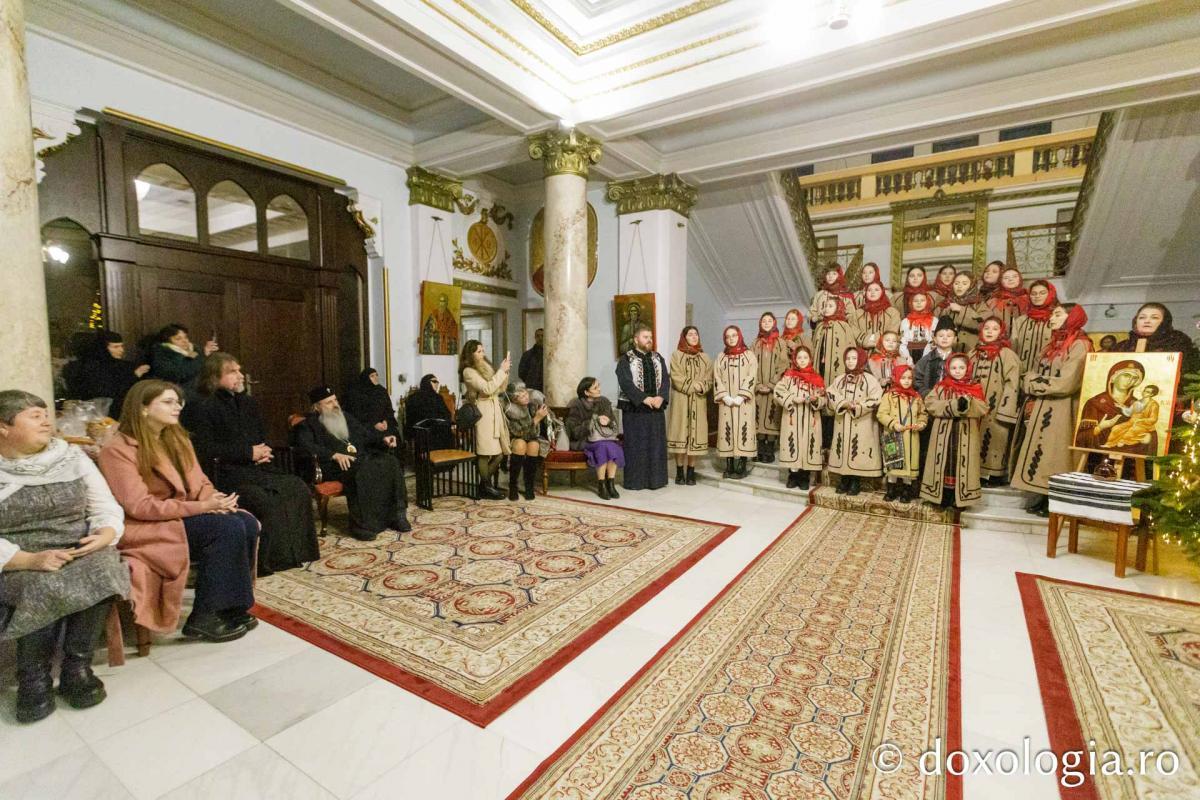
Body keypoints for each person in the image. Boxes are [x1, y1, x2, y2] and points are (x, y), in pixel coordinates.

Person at [0, 390, 130, 724]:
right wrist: (27, 560)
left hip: (78, 547)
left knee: (104, 569)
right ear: (3, 427)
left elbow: (104, 505)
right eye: (35, 416)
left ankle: (77, 668)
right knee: (40, 585)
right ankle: (34, 679)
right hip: (17, 557)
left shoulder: (71, 457)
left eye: (46, 414)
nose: (47, 422)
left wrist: (105, 533)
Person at [99, 380, 258, 643]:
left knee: (245, 522)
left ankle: (231, 607)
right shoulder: (117, 449)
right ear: (143, 408)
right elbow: (139, 506)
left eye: (178, 402)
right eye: (168, 402)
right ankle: (205, 617)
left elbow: (200, 481)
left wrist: (214, 499)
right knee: (225, 528)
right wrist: (202, 507)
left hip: (181, 514)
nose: (177, 407)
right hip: (147, 525)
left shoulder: (176, 438)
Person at [182, 353, 319, 574]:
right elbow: (205, 449)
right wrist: (248, 453)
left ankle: (298, 552)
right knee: (263, 500)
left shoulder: (247, 403)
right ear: (214, 377)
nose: (240, 376)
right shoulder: (201, 406)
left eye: (239, 370)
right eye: (232, 372)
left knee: (297, 487)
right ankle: (268, 561)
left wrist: (263, 451)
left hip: (257, 467)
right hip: (226, 471)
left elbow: (260, 436)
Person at [293, 387, 411, 538]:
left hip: (360, 459)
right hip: (334, 466)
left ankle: (397, 515)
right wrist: (334, 455)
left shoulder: (346, 417)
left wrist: (383, 439)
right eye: (329, 402)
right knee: (362, 470)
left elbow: (366, 435)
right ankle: (363, 525)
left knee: (390, 462)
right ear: (316, 407)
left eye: (335, 400)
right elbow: (305, 446)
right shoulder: (308, 425)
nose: (335, 405)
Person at [1010, 304, 1091, 515]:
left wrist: (1033, 383)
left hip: (1063, 408)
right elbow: (1030, 373)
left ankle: (1055, 499)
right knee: (1043, 450)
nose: (1051, 318)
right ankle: (1041, 495)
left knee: (1056, 453)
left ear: (1071, 317)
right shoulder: (1052, 344)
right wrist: (1033, 380)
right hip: (1043, 405)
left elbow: (1067, 383)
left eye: (1057, 314)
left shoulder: (1080, 345)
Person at [919, 354, 990, 508]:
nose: (957, 371)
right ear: (948, 369)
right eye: (954, 368)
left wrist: (968, 404)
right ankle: (943, 495)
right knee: (944, 462)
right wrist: (953, 405)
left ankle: (960, 498)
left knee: (961, 462)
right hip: (943, 433)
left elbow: (983, 408)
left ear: (968, 369)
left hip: (966, 433)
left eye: (961, 368)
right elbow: (930, 403)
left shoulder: (975, 388)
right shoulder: (941, 387)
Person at [616, 323, 671, 490]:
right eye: (645, 337)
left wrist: (661, 397)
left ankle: (656, 481)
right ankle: (636, 482)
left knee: (656, 445)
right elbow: (625, 382)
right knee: (636, 446)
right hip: (635, 410)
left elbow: (666, 380)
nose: (649, 340)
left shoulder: (658, 357)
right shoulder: (626, 359)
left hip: (656, 410)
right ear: (635, 339)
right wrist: (644, 398)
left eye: (650, 337)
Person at [968, 317, 1023, 486]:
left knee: (996, 439)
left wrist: (1006, 408)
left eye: (994, 328)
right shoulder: (973, 353)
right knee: (975, 438)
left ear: (1001, 332)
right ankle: (976, 473)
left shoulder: (1007, 354)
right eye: (987, 328)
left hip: (997, 405)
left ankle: (995, 475)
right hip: (975, 406)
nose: (990, 331)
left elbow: (1013, 383)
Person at [826, 346, 884, 495]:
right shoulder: (840, 379)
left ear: (861, 360)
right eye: (848, 358)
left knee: (858, 449)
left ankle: (855, 481)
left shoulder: (869, 380)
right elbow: (831, 393)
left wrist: (858, 406)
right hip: (843, 421)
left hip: (862, 421)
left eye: (854, 358)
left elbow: (876, 398)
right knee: (843, 448)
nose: (850, 361)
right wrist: (843, 403)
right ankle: (844, 479)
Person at [460, 340, 511, 500]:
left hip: (494, 409)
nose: (482, 354)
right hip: (483, 413)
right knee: (484, 452)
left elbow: (499, 389)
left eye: (482, 350)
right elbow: (488, 389)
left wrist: (505, 372)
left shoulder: (486, 368)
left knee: (501, 452)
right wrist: (500, 371)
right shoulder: (468, 371)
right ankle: (486, 486)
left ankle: (484, 485)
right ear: (470, 354)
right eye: (478, 351)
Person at [1073, 360, 1156, 456]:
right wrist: (1100, 427)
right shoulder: (1094, 403)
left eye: (1134, 378)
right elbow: (1081, 439)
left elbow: (1150, 430)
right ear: (1113, 377)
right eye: (1126, 375)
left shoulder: (1139, 404)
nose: (1130, 381)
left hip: (1129, 459)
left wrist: (1148, 437)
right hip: (1097, 458)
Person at [773, 345, 825, 490]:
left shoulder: (816, 378)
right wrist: (792, 398)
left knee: (808, 445)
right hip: (792, 417)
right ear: (795, 359)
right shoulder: (788, 376)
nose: (802, 360)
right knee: (793, 444)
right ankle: (793, 475)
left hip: (810, 418)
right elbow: (778, 392)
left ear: (810, 359)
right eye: (799, 357)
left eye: (805, 357)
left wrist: (816, 400)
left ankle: (804, 476)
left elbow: (824, 399)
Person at [62, 330, 149, 414]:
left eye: (121, 346)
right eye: (115, 347)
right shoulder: (88, 368)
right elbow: (108, 392)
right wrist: (134, 375)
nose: (121, 350)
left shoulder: (124, 366)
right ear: (103, 348)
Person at [667, 326, 713, 485]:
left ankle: (691, 471)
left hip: (698, 401)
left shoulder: (705, 358)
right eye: (690, 334)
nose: (694, 337)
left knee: (695, 437)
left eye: (696, 334)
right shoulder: (676, 355)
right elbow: (676, 377)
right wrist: (695, 385)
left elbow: (709, 378)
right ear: (684, 337)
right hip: (681, 400)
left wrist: (702, 386)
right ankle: (680, 471)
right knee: (680, 435)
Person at [876, 364, 927, 502]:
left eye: (909, 378)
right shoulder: (889, 396)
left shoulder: (916, 397)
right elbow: (881, 414)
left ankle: (906, 491)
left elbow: (923, 414)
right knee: (893, 463)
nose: (906, 381)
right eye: (903, 378)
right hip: (893, 435)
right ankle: (891, 490)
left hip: (911, 437)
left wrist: (921, 424)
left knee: (908, 466)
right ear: (896, 378)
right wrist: (893, 424)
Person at [566, 377, 624, 500]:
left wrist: (608, 421)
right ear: (586, 392)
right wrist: (592, 422)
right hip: (585, 439)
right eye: (595, 388)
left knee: (612, 446)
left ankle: (610, 484)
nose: (599, 389)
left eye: (599, 386)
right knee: (603, 447)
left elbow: (613, 424)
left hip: (605, 438)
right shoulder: (577, 405)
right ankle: (601, 484)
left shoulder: (604, 402)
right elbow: (574, 431)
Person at [714, 325, 758, 479]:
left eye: (734, 335)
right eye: (728, 336)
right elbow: (716, 377)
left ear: (739, 336)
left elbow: (752, 375)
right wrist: (724, 396)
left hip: (744, 401)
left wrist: (742, 395)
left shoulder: (749, 355)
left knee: (743, 430)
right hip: (726, 401)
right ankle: (729, 466)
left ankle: (741, 466)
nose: (731, 339)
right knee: (728, 430)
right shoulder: (721, 357)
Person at [1113, 302, 1200, 375]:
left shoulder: (1178, 343)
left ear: (1164, 322)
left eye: (1154, 317)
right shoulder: (1121, 346)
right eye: (1142, 317)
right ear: (1135, 321)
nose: (1147, 321)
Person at [752, 312, 789, 463]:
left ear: (774, 323)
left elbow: (783, 365)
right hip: (759, 388)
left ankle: (769, 450)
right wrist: (758, 384)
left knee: (772, 418)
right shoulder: (755, 343)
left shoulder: (780, 343)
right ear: (760, 324)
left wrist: (772, 384)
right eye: (764, 321)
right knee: (759, 418)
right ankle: (760, 449)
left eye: (769, 321)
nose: (766, 323)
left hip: (774, 389)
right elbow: (751, 365)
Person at [503, 381, 548, 501]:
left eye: (526, 393)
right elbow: (518, 432)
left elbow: (535, 433)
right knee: (520, 444)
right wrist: (536, 419)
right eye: (521, 396)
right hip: (515, 437)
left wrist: (539, 417)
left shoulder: (532, 406)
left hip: (531, 437)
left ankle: (529, 486)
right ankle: (513, 485)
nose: (526, 397)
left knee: (534, 446)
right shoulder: (511, 410)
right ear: (514, 399)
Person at [145, 323, 219, 396]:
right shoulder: (162, 354)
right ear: (167, 342)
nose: (184, 341)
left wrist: (208, 355)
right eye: (178, 339)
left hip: (200, 391)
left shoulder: (195, 350)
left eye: (185, 337)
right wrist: (203, 355)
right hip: (177, 393)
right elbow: (180, 373)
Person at [1012, 279, 1059, 372]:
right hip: (1021, 373)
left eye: (1042, 293)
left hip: (1048, 374)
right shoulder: (1020, 321)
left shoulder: (1058, 319)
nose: (1037, 296)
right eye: (1033, 293)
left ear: (1051, 294)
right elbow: (1013, 349)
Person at [342, 368, 400, 441]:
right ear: (366, 378)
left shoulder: (381, 391)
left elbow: (388, 409)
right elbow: (357, 413)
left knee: (393, 435)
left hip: (384, 425)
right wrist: (374, 424)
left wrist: (385, 421)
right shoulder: (357, 393)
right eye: (372, 376)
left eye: (376, 375)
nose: (376, 378)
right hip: (367, 426)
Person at [813, 296, 857, 385]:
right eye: (825, 306)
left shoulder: (844, 326)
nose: (826, 308)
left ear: (838, 308)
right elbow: (814, 347)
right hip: (820, 364)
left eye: (830, 306)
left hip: (837, 365)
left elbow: (851, 347)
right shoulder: (820, 326)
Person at [939, 272, 985, 352]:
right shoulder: (947, 304)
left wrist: (961, 310)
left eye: (964, 283)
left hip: (972, 351)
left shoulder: (979, 304)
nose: (959, 286)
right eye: (956, 283)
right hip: (950, 351)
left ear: (972, 286)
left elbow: (983, 325)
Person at [404, 374, 453, 448]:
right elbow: (411, 418)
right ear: (426, 382)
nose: (437, 384)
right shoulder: (414, 398)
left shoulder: (438, 397)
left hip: (438, 429)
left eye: (437, 382)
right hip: (421, 430)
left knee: (445, 432)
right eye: (434, 381)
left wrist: (440, 420)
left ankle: (445, 455)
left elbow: (447, 414)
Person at [914, 317, 958, 396]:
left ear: (955, 339)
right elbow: (916, 379)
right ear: (935, 339)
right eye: (941, 336)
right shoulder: (927, 359)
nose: (945, 338)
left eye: (949, 336)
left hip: (951, 398)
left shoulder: (958, 360)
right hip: (929, 398)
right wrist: (926, 393)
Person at [853, 282, 900, 349]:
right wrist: (866, 341)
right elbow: (854, 331)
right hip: (862, 352)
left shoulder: (893, 312)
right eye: (869, 290)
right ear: (865, 293)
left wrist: (874, 339)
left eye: (876, 290)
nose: (872, 292)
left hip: (885, 351)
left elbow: (893, 332)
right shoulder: (857, 313)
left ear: (882, 292)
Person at [986, 267, 1028, 333]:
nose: (1011, 279)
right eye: (1006, 278)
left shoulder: (1030, 299)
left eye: (1015, 276)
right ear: (1001, 281)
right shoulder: (992, 302)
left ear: (1020, 279)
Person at [899, 291, 936, 362]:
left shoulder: (934, 320)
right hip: (909, 354)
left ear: (927, 302)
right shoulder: (905, 321)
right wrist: (908, 360)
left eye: (922, 300)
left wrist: (924, 361)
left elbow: (934, 341)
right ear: (911, 303)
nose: (919, 303)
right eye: (915, 301)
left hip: (929, 355)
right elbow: (902, 343)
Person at [518, 328, 545, 393]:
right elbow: (521, 372)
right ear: (535, 338)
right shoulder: (527, 355)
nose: (540, 338)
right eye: (538, 336)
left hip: (546, 388)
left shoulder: (550, 356)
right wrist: (530, 380)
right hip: (532, 388)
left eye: (542, 336)